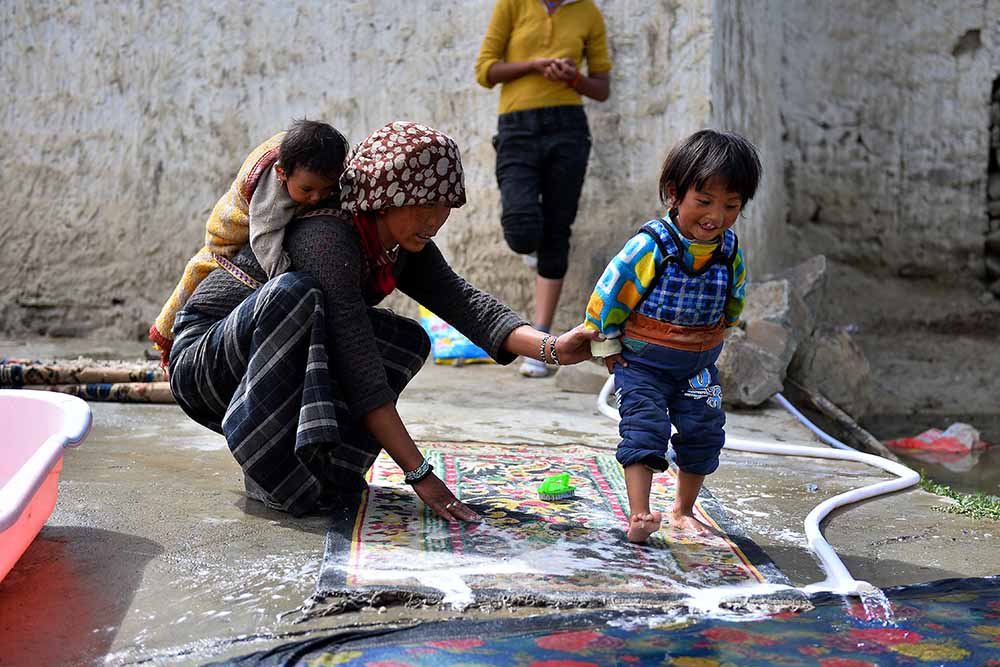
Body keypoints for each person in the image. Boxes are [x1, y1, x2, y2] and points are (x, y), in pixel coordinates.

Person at [165, 121, 600, 519]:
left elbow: (466, 304)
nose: (435, 219)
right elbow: (359, 369)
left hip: (256, 354)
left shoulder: (398, 243)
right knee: (295, 296)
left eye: (445, 205)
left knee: (405, 339)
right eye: (424, 203)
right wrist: (420, 475)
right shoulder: (328, 238)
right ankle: (271, 468)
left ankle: (326, 470)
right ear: (387, 196)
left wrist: (555, 348)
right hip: (206, 360)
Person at [584, 130, 762, 542]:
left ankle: (683, 511)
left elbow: (735, 295)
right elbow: (610, 294)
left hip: (698, 365)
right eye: (704, 202)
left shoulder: (728, 250)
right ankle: (641, 514)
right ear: (673, 194)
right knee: (645, 430)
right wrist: (607, 349)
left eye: (731, 206)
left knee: (704, 432)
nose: (716, 216)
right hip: (642, 365)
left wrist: (725, 328)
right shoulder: (650, 247)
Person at [475, 0, 612, 378]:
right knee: (521, 229)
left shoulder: (588, 12)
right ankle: (537, 250)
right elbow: (485, 71)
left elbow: (601, 87)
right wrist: (535, 65)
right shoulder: (513, 5)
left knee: (557, 232)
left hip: (568, 127)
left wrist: (572, 77)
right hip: (516, 127)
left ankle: (542, 342)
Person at [149, 119, 349, 368]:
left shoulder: (310, 162)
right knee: (199, 269)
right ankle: (167, 339)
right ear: (281, 173)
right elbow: (264, 238)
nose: (316, 198)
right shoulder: (271, 200)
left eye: (327, 189)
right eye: (307, 190)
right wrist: (284, 278)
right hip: (232, 229)